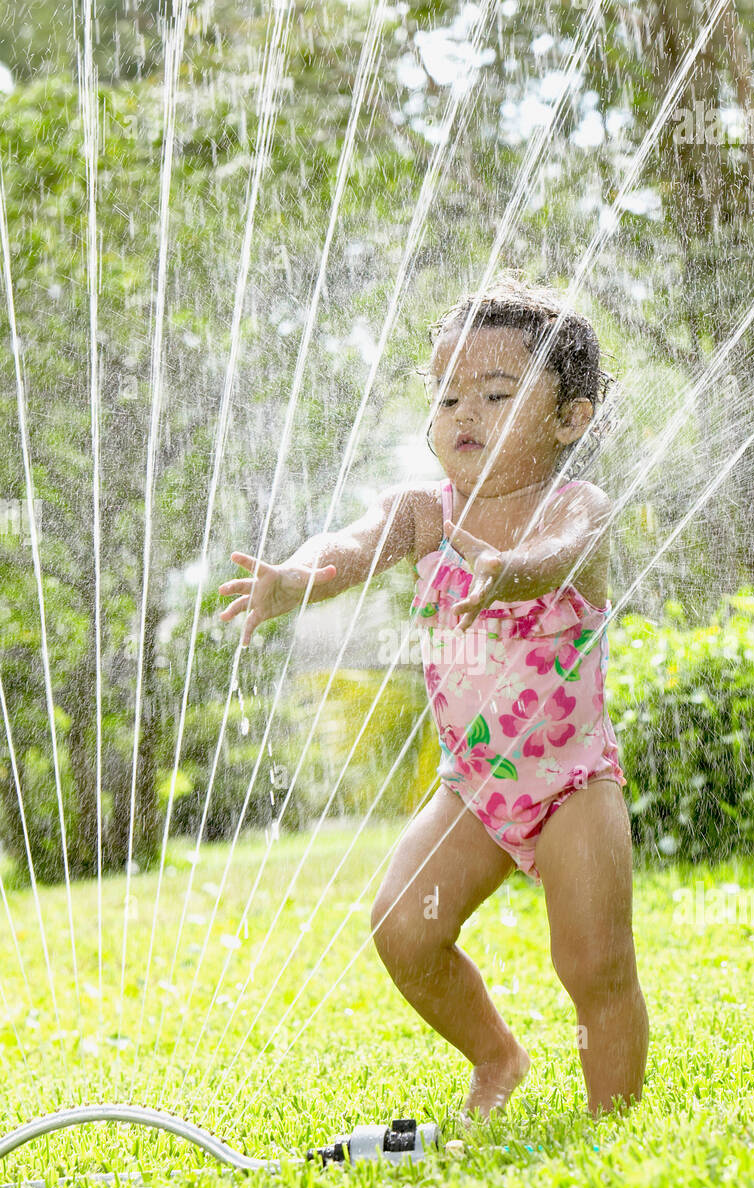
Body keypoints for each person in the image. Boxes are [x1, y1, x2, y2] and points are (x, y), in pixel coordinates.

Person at [218, 274, 649, 1122]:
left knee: (594, 962)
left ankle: (618, 1124)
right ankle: (496, 1057)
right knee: (404, 930)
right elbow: (350, 544)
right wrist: (292, 582)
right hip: (474, 788)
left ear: (571, 418)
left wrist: (512, 570)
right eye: (449, 394)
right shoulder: (426, 512)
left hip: (571, 785)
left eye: (496, 394)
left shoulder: (575, 506)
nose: (464, 415)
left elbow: (571, 551)